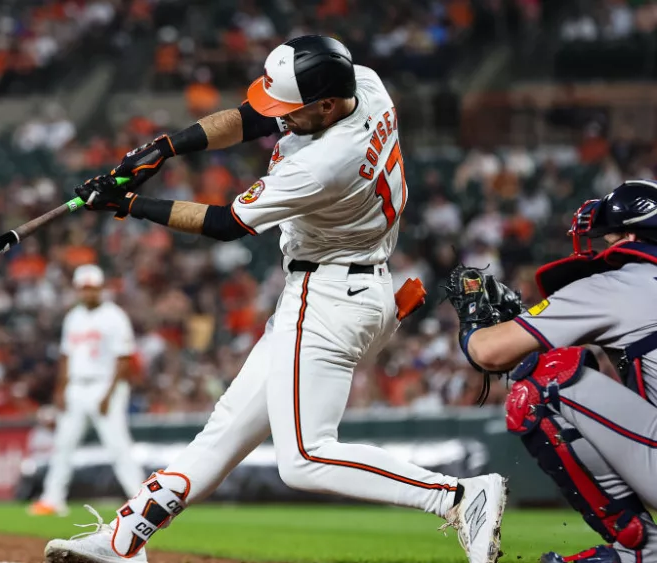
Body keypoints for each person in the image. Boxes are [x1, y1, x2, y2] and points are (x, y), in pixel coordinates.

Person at [44, 35, 505, 563]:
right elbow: (252, 117)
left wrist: (129, 203)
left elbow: (224, 224)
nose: (279, 118)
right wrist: (166, 148)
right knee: (224, 431)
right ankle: (124, 542)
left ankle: (459, 495)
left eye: (292, 109)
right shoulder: (367, 85)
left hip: (327, 295)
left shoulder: (323, 163)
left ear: (326, 104)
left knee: (305, 458)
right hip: (353, 286)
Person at [446, 180, 657, 563]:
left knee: (545, 380)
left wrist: (472, 323)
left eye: (606, 237)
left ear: (630, 234)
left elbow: (490, 353)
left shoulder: (619, 284)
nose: (600, 247)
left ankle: (640, 550)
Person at [28, 264, 144, 517]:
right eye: (84, 288)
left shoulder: (114, 316)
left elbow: (124, 359)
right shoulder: (74, 317)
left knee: (118, 446)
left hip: (105, 385)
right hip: (76, 386)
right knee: (63, 445)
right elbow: (66, 356)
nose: (88, 293)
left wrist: (109, 394)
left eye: (92, 288)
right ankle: (52, 499)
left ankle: (140, 501)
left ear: (101, 288)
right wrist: (61, 389)